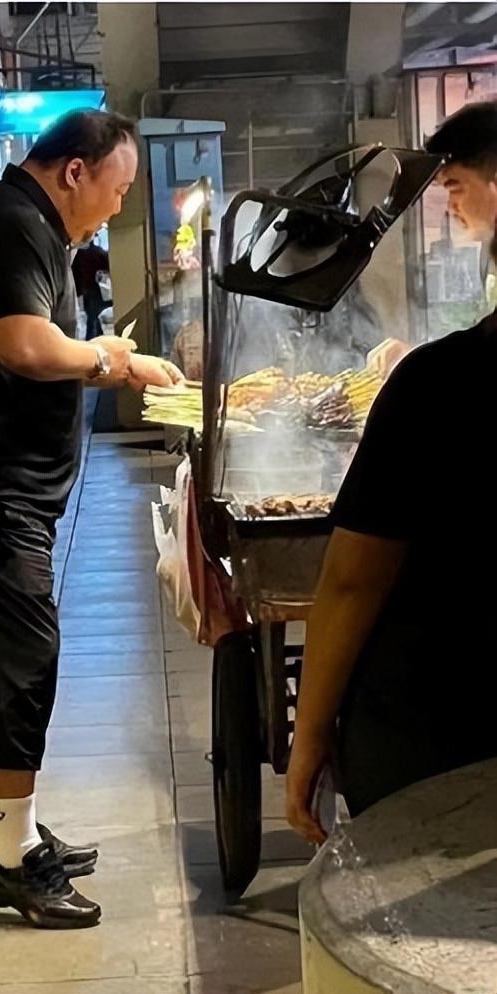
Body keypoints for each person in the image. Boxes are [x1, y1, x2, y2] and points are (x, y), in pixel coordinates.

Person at [0, 110, 184, 928]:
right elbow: (22, 345)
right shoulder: (15, 222)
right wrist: (111, 360)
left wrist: (108, 358)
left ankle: (6, 835)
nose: (118, 206)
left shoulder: (17, 221)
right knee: (19, 661)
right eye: (118, 188)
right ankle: (13, 860)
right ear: (74, 170)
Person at [286, 100, 497, 845]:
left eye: (456, 185)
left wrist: (309, 734)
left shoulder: (439, 386)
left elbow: (353, 579)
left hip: (440, 733)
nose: (447, 205)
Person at [71, 238, 109, 339]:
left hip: (85, 289)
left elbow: (75, 272)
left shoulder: (78, 254)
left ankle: (96, 337)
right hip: (94, 288)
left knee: (92, 316)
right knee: (93, 317)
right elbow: (108, 264)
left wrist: (78, 291)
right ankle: (92, 338)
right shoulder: (97, 252)